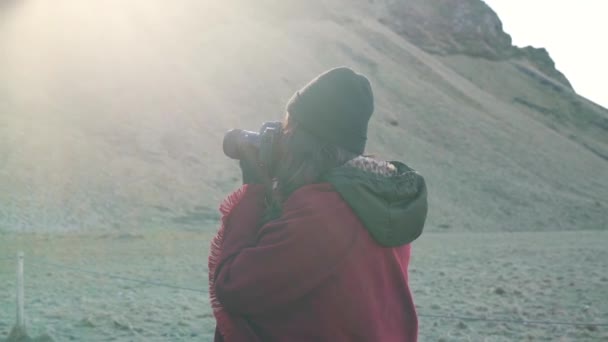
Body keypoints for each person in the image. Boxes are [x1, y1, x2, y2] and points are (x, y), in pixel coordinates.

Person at [208, 67, 428, 341]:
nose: (283, 141)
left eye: (289, 130)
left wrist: (253, 188)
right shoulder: (377, 197)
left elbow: (234, 287)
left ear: (305, 142)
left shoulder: (325, 211)